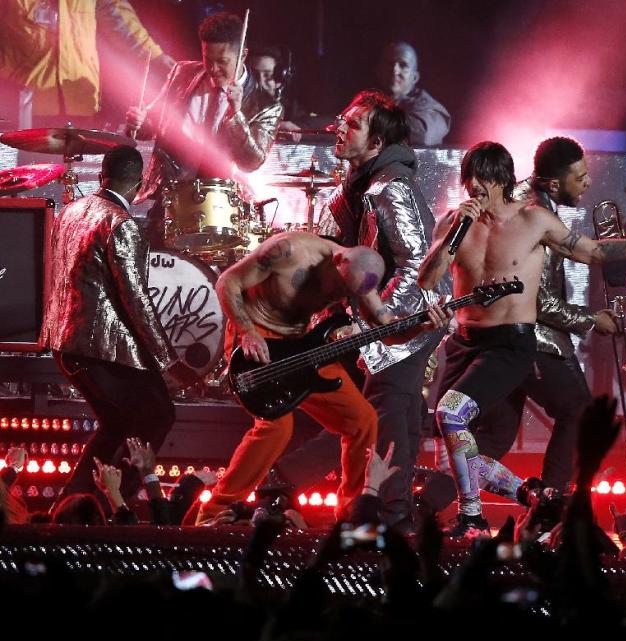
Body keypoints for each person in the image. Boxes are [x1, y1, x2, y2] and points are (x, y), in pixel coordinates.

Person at [419, 141, 626, 535]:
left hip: (509, 343)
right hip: (466, 342)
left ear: (500, 180)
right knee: (458, 455)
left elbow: (594, 253)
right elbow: (428, 279)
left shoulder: (533, 221)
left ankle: (472, 517)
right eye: (468, 180)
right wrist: (451, 237)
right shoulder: (454, 223)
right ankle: (533, 498)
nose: (474, 189)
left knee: (454, 414)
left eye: (481, 180)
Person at [194, 233, 448, 523]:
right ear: (337, 260)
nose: (340, 294)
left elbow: (387, 331)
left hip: (302, 346)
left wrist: (420, 328)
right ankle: (214, 511)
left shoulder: (358, 279)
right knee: (276, 427)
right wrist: (247, 330)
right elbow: (228, 282)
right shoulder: (288, 251)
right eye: (339, 286)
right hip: (256, 337)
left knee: (363, 421)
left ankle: (351, 512)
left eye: (346, 291)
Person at [313, 89, 450, 532]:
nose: (340, 127)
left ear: (375, 144)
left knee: (384, 420)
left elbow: (416, 264)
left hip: (403, 325)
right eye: (342, 119)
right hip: (389, 326)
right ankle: (393, 518)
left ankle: (382, 522)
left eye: (353, 124)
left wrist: (380, 326)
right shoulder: (359, 187)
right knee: (399, 419)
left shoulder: (391, 187)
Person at [41, 145, 195, 504]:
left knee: (117, 425)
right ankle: (116, 503)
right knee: (157, 415)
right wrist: (167, 359)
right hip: (103, 349)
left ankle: (74, 507)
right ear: (139, 185)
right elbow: (136, 299)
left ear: (100, 175)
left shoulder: (71, 211)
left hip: (66, 345)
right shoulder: (122, 225)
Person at [471, 136, 618, 492]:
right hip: (531, 340)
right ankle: (551, 507)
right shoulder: (537, 216)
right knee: (579, 409)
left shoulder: (521, 200)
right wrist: (591, 320)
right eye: (580, 176)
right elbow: (539, 301)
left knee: (496, 436)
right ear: (554, 183)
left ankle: (426, 504)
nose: (588, 183)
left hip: (497, 340)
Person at [124, 11, 282, 245]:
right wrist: (138, 122)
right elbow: (153, 125)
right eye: (208, 59)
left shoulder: (266, 104)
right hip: (170, 197)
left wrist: (236, 115)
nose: (214, 68)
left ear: (243, 56)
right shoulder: (183, 73)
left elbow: (251, 162)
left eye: (223, 62)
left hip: (220, 207)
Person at [0, 0, 174, 127]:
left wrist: (157, 57)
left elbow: (120, 20)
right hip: (21, 108)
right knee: (28, 173)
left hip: (80, 103)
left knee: (76, 173)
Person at [379, 41, 450, 146]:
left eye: (403, 65)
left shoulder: (432, 109)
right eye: (390, 63)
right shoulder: (368, 102)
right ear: (380, 71)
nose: (395, 70)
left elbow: (423, 135)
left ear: (415, 77)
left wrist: (372, 125)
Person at [248, 45, 304, 142]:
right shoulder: (236, 104)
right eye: (254, 75)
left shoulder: (291, 109)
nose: (260, 82)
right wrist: (275, 126)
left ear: (281, 77)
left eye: (268, 75)